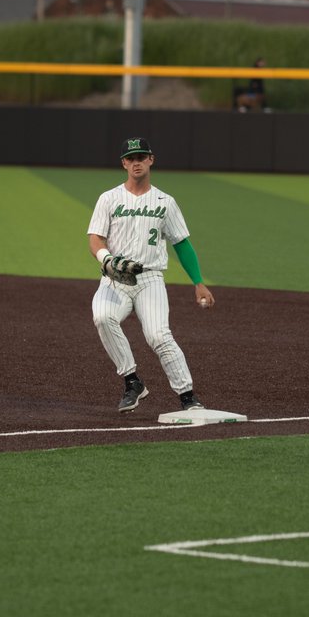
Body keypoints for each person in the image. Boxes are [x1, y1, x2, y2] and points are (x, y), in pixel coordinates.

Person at [88, 137, 216, 412]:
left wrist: (198, 282)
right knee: (102, 317)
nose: (136, 163)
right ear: (124, 163)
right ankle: (132, 381)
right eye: (131, 158)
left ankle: (188, 397)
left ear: (151, 160)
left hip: (150, 279)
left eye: (141, 157)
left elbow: (181, 243)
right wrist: (107, 259)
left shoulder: (165, 202)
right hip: (115, 278)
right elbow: (95, 239)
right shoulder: (108, 199)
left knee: (158, 335)